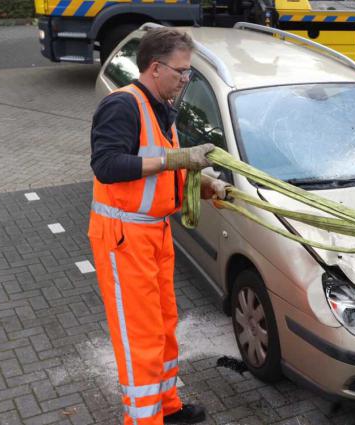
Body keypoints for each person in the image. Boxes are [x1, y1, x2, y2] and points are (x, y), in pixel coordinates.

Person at [88, 27, 228, 425]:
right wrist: (177, 160)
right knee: (140, 337)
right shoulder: (123, 105)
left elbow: (164, 173)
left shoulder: (161, 108)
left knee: (164, 326)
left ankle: (167, 408)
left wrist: (206, 186)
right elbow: (107, 165)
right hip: (125, 239)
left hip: (155, 234)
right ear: (155, 68)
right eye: (181, 71)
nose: (186, 79)